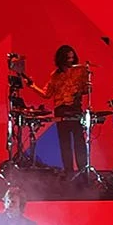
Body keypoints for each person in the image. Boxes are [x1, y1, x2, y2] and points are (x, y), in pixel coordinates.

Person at [26, 45, 88, 176]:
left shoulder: (79, 71)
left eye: (72, 57)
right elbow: (46, 93)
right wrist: (33, 86)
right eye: (68, 58)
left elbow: (86, 88)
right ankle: (69, 171)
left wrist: (79, 90)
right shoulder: (55, 75)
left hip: (75, 108)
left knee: (79, 142)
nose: (70, 60)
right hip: (61, 110)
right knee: (65, 143)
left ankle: (83, 171)